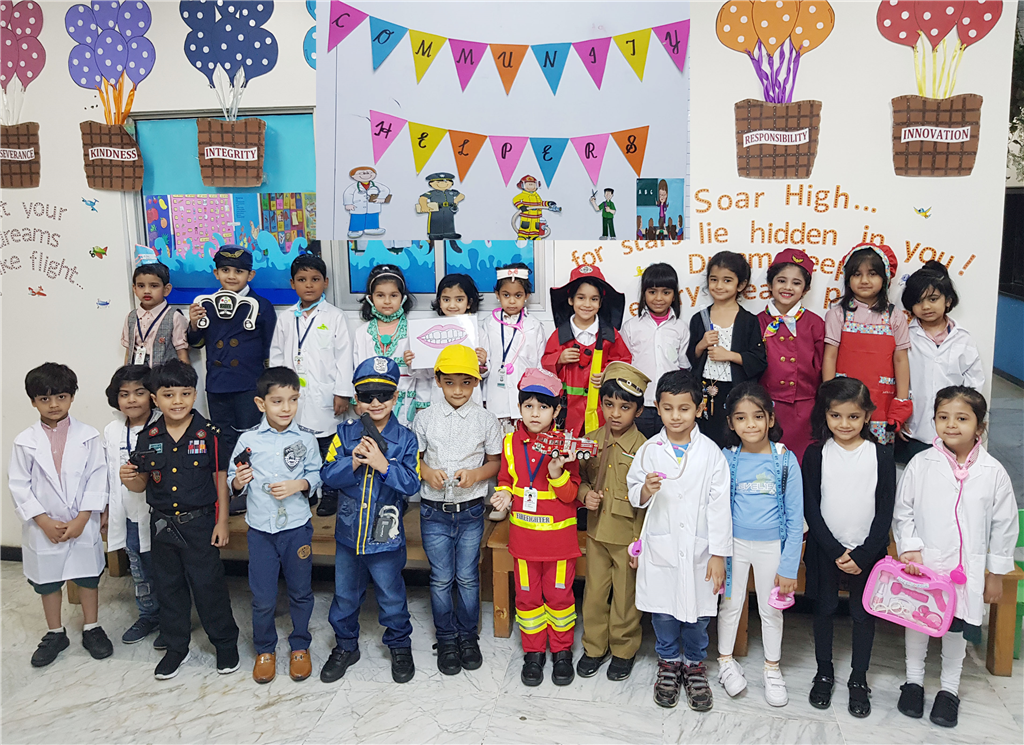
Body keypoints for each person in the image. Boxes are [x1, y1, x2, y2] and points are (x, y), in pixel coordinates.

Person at [893, 386, 1018, 728]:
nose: (951, 425)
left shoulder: (993, 472)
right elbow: (903, 511)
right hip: (924, 564)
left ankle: (949, 690)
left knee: (955, 629)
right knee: (918, 622)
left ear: (980, 426)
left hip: (968, 570)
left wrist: (996, 573)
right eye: (943, 417)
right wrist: (910, 548)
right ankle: (913, 682)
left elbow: (1005, 526)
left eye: (962, 418)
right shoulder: (921, 464)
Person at [120, 359, 239, 680]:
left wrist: (222, 522)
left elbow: (220, 481)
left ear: (195, 395)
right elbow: (140, 484)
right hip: (161, 525)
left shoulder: (210, 434)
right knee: (168, 587)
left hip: (201, 524)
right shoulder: (148, 436)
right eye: (168, 394)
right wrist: (128, 478)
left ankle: (225, 643)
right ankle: (176, 647)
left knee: (208, 585)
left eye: (185, 394)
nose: (177, 401)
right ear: (155, 399)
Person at [627, 369, 731, 711]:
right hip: (663, 547)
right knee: (664, 612)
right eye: (668, 408)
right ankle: (669, 662)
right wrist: (645, 489)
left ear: (698, 409)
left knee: (699, 615)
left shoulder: (711, 454)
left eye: (684, 409)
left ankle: (695, 664)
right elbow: (633, 493)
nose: (675, 416)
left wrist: (718, 554)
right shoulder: (649, 450)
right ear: (657, 407)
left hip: (702, 549)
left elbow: (720, 507)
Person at [319, 357, 421, 685]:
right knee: (345, 595)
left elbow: (412, 484)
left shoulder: (406, 439)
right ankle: (345, 646)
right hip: (349, 536)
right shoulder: (344, 434)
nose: (375, 402)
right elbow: (327, 475)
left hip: (386, 537)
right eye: (366, 396)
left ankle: (399, 645)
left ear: (395, 397)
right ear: (356, 399)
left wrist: (383, 464)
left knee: (391, 595)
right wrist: (352, 462)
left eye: (384, 394)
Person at [9, 363, 113, 667]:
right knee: (48, 580)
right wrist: (42, 520)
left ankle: (92, 627)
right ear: (33, 402)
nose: (53, 405)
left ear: (72, 397)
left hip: (82, 521)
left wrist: (82, 518)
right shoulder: (24, 441)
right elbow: (18, 484)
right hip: (44, 526)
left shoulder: (89, 436)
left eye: (61, 397)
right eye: (44, 399)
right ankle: (55, 632)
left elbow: (98, 477)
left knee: (87, 576)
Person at [802, 377, 895, 718]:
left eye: (853, 416)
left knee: (862, 613)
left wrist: (864, 553)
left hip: (867, 554)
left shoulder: (881, 455)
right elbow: (811, 506)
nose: (844, 424)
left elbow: (885, 509)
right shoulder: (816, 454)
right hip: (826, 550)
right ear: (825, 415)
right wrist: (834, 550)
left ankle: (859, 678)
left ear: (867, 416)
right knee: (824, 608)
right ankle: (824, 671)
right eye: (836, 415)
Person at [412, 345, 503, 675]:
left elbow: (494, 462)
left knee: (466, 576)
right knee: (440, 578)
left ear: (476, 382)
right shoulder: (424, 418)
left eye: (466, 383)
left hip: (470, 511)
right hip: (433, 511)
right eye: (450, 382)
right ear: (438, 381)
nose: (458, 390)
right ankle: (447, 638)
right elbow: (414, 459)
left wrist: (476, 475)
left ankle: (468, 636)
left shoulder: (486, 420)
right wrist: (426, 472)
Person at [228, 367, 322, 684]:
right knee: (263, 597)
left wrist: (300, 484)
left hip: (296, 528)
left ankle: (300, 645)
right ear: (261, 403)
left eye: (293, 400)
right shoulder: (248, 439)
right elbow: (233, 479)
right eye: (277, 401)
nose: (286, 408)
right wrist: (238, 482)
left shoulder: (306, 438)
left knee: (300, 591)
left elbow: (316, 475)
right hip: (260, 532)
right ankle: (265, 649)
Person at [490, 368, 582, 687]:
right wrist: (504, 494)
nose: (534, 413)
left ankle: (562, 651)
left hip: (559, 544)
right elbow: (506, 479)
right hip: (524, 542)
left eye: (543, 407)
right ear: (519, 407)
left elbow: (571, 495)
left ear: (556, 411)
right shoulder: (509, 443)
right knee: (527, 598)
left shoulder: (567, 445)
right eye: (528, 406)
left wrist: (557, 472)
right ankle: (533, 653)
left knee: (559, 597)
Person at [716, 382, 804, 707]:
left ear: (770, 418)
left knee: (771, 610)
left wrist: (789, 566)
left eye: (757, 416)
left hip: (772, 548)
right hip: (734, 546)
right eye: (741, 418)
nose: (750, 424)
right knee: (730, 605)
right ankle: (725, 662)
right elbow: (716, 510)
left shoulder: (786, 461)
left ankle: (772, 668)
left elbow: (795, 518)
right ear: (730, 422)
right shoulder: (726, 458)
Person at [187, 243, 276, 514]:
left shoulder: (261, 306)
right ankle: (228, 490)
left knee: (250, 437)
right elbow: (197, 343)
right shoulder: (206, 305)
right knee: (222, 438)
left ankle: (251, 489)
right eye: (225, 270)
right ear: (216, 273)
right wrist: (193, 323)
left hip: (249, 384)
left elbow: (270, 348)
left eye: (239, 271)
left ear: (250, 275)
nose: (232, 276)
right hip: (217, 384)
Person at [576, 362, 650, 682]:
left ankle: (623, 650)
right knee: (594, 594)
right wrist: (584, 495)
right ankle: (594, 647)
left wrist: (641, 543)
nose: (615, 413)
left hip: (628, 536)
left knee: (625, 598)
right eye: (608, 404)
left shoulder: (645, 448)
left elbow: (650, 500)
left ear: (639, 410)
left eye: (625, 407)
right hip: (597, 532)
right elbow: (578, 478)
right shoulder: (590, 440)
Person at [269, 253, 354, 517]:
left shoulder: (336, 316)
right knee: (298, 446)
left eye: (315, 279)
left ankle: (329, 492)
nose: (309, 285)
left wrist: (342, 392)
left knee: (329, 447)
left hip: (326, 395)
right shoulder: (286, 318)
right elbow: (277, 355)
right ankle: (304, 492)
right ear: (292, 283)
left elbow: (345, 356)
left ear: (325, 282)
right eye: (302, 279)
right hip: (293, 397)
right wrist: (276, 393)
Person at [822, 243, 912, 448]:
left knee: (878, 454)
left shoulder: (895, 316)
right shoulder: (838, 314)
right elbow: (830, 356)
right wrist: (828, 395)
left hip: (882, 400)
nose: (864, 280)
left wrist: (901, 402)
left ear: (885, 278)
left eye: (872, 274)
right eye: (857, 274)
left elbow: (900, 359)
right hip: (843, 399)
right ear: (848, 279)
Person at [101, 365, 164, 647]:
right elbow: (105, 472)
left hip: (159, 514)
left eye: (139, 392)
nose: (132, 399)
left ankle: (172, 618)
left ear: (152, 395)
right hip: (127, 513)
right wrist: (104, 509)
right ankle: (148, 614)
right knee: (139, 568)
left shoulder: (164, 423)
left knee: (165, 568)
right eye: (124, 394)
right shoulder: (112, 430)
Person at [897, 262, 984, 465]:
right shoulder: (905, 336)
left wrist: (968, 418)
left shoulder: (963, 338)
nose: (926, 307)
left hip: (953, 429)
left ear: (948, 300)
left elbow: (974, 383)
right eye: (918, 301)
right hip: (913, 427)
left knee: (950, 472)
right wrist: (899, 416)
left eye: (933, 299)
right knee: (913, 472)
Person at [687, 251, 768, 448]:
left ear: (740, 285)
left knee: (733, 438)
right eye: (714, 279)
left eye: (727, 280)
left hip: (735, 390)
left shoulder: (749, 321)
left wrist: (730, 356)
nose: (719, 286)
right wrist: (701, 345)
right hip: (704, 390)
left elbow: (759, 360)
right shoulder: (700, 318)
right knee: (704, 440)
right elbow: (691, 357)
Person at [542, 264, 632, 437]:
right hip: (567, 411)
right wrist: (559, 359)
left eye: (594, 299)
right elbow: (546, 364)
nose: (587, 304)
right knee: (569, 447)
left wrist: (608, 374)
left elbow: (624, 362)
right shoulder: (560, 335)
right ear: (571, 300)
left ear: (600, 302)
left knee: (599, 445)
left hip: (601, 408)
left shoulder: (610, 335)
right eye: (581, 298)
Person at [756, 248, 824, 463]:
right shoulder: (756, 322)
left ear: (806, 289)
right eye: (781, 280)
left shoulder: (815, 323)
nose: (787, 287)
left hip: (806, 409)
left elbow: (822, 365)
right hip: (766, 407)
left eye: (796, 283)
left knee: (803, 463)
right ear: (770, 284)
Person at [620, 262, 690, 438]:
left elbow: (683, 365)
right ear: (644, 294)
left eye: (666, 292)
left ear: (674, 296)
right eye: (652, 292)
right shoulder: (631, 327)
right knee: (637, 447)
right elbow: (624, 365)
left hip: (670, 404)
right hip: (638, 403)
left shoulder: (680, 328)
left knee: (667, 446)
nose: (659, 298)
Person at [352, 264, 427, 424]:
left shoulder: (414, 331)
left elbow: (423, 377)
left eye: (393, 295)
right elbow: (356, 370)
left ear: (402, 298)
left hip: (405, 406)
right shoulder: (362, 333)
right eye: (380, 295)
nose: (387, 301)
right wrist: (357, 401)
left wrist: (422, 404)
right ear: (370, 298)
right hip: (372, 405)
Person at [479, 264, 548, 434]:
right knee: (497, 442)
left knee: (524, 441)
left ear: (527, 296)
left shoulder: (534, 326)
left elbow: (541, 365)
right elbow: (484, 366)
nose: (511, 301)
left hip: (526, 399)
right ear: (497, 295)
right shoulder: (488, 324)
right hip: (496, 397)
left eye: (518, 295)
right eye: (506, 295)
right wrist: (482, 364)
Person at [424, 273, 486, 407]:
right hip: (441, 395)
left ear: (469, 303)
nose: (452, 305)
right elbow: (427, 372)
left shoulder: (478, 332)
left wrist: (483, 362)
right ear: (439, 301)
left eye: (459, 299)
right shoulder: (432, 332)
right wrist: (414, 360)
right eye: (446, 299)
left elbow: (485, 373)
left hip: (470, 396)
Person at [122, 260, 190, 366]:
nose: (147, 291)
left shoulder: (175, 317)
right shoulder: (131, 317)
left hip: (164, 374)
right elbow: (128, 353)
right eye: (141, 286)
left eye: (154, 286)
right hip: (137, 375)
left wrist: (186, 376)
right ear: (134, 288)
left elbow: (182, 354)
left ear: (166, 289)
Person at [342, 166, 391, 238]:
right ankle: (356, 230)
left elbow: (385, 190)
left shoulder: (377, 185)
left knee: (372, 217)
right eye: (361, 173)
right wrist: (348, 204)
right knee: (357, 218)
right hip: (357, 206)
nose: (365, 175)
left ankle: (371, 228)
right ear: (353, 176)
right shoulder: (353, 187)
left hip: (373, 206)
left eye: (369, 173)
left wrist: (381, 198)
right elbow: (347, 194)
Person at [416, 172, 464, 241]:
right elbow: (423, 198)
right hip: (437, 209)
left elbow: (461, 195)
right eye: (438, 182)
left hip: (448, 209)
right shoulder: (432, 193)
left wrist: (456, 200)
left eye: (446, 181)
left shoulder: (451, 192)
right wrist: (424, 206)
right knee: (436, 221)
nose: (442, 184)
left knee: (448, 220)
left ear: (451, 183)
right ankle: (435, 234)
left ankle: (449, 233)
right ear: (431, 183)